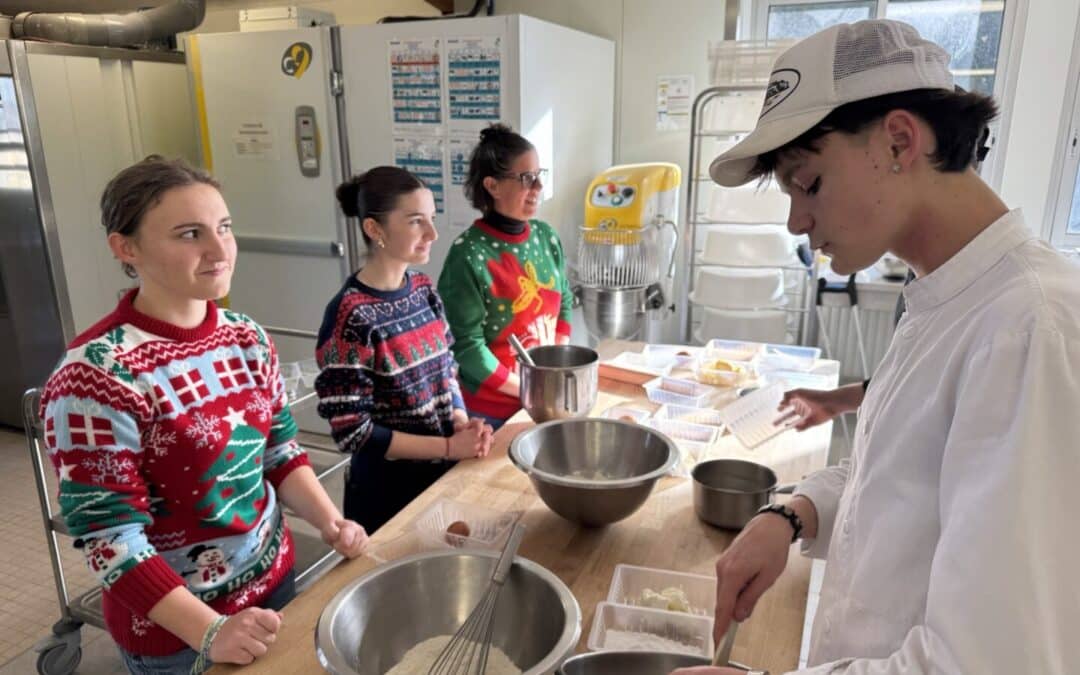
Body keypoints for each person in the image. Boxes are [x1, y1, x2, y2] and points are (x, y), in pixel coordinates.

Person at [673, 19, 1080, 675]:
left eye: (808, 184)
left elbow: (991, 661)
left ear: (898, 140)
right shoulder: (943, 298)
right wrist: (794, 513)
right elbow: (893, 483)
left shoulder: (1030, 324)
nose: (796, 223)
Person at [40, 156, 369, 675]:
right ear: (125, 248)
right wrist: (210, 631)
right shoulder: (97, 376)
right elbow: (109, 540)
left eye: (224, 228)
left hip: (275, 579)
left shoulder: (246, 337)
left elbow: (278, 452)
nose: (220, 250)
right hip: (179, 631)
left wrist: (331, 523)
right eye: (190, 234)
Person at [315, 166, 494, 534]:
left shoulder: (423, 290)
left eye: (430, 219)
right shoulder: (351, 316)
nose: (431, 233)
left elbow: (447, 371)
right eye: (415, 222)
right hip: (388, 495)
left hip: (441, 478)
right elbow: (355, 432)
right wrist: (447, 447)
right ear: (374, 229)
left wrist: (462, 423)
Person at [437, 124, 574, 429]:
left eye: (539, 175)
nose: (538, 187)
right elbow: (468, 346)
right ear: (493, 186)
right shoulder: (468, 255)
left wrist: (557, 360)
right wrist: (529, 388)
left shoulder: (546, 237)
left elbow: (564, 299)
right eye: (527, 178)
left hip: (544, 397)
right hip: (491, 413)